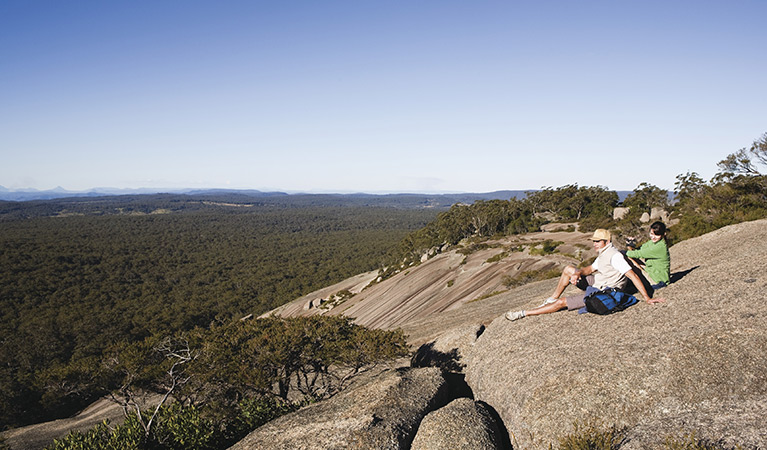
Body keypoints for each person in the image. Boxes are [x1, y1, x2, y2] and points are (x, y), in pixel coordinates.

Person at [505, 229, 665, 321]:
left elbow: (633, 276)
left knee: (562, 303)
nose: (594, 244)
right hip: (597, 281)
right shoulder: (604, 253)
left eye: (598, 241)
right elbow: (590, 269)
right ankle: (551, 299)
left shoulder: (615, 256)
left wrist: (647, 298)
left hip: (605, 291)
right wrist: (577, 274)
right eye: (594, 241)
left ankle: (524, 313)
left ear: (607, 241)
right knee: (568, 269)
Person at [625, 221, 671, 289]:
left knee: (626, 257)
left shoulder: (660, 247)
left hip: (658, 281)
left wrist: (624, 251)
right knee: (630, 258)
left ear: (663, 234)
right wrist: (630, 246)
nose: (653, 237)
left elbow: (636, 254)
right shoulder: (653, 243)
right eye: (652, 234)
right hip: (653, 273)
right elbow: (638, 250)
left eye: (657, 235)